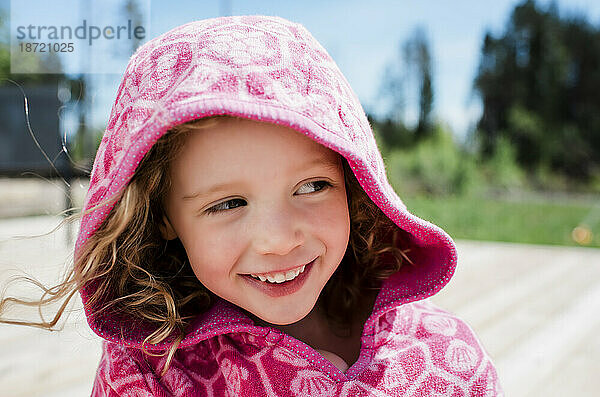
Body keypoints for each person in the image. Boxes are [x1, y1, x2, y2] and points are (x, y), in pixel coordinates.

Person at [2, 15, 503, 396]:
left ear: (356, 182)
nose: (279, 238)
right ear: (163, 219)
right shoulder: (154, 374)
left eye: (312, 187)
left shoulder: (444, 355)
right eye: (228, 204)